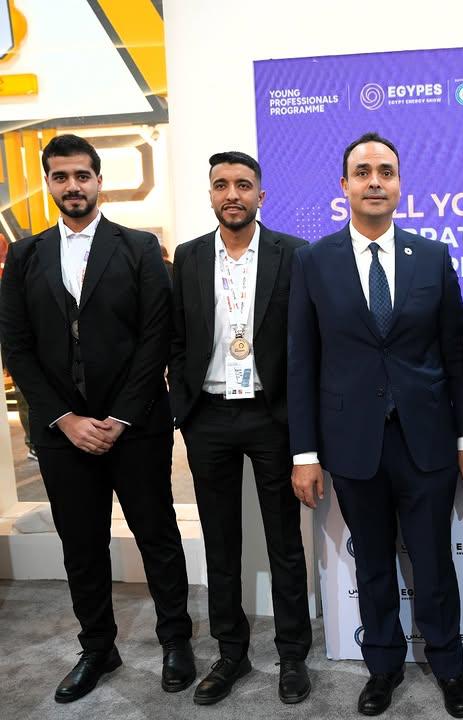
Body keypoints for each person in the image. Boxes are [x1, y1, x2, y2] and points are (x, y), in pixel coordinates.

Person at [288, 132, 463, 718]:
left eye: (386, 171)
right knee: (372, 563)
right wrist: (304, 453)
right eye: (363, 172)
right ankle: (383, 667)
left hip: (426, 440)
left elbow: (454, 355)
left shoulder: (432, 256)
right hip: (352, 444)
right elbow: (302, 361)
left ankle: (449, 666)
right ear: (344, 185)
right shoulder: (313, 261)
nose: (375, 181)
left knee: (434, 562)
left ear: (399, 184)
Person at [0, 134, 194, 702]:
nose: (72, 186)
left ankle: (176, 640)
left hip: (136, 427)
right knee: (80, 546)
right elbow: (17, 347)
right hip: (63, 434)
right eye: (60, 177)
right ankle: (98, 648)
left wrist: (121, 417)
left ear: (99, 180)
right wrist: (63, 418)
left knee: (157, 537)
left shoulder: (139, 247)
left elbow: (157, 337)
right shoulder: (26, 257)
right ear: (48, 183)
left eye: (81, 175)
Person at [169, 151, 312, 705]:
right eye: (222, 185)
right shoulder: (188, 256)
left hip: (269, 414)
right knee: (221, 541)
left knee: (284, 542)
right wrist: (183, 408)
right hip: (208, 416)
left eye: (243, 185)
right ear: (210, 194)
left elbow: (305, 341)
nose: (233, 194)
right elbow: (177, 336)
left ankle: (292, 655)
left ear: (261, 195)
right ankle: (231, 653)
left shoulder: (292, 253)